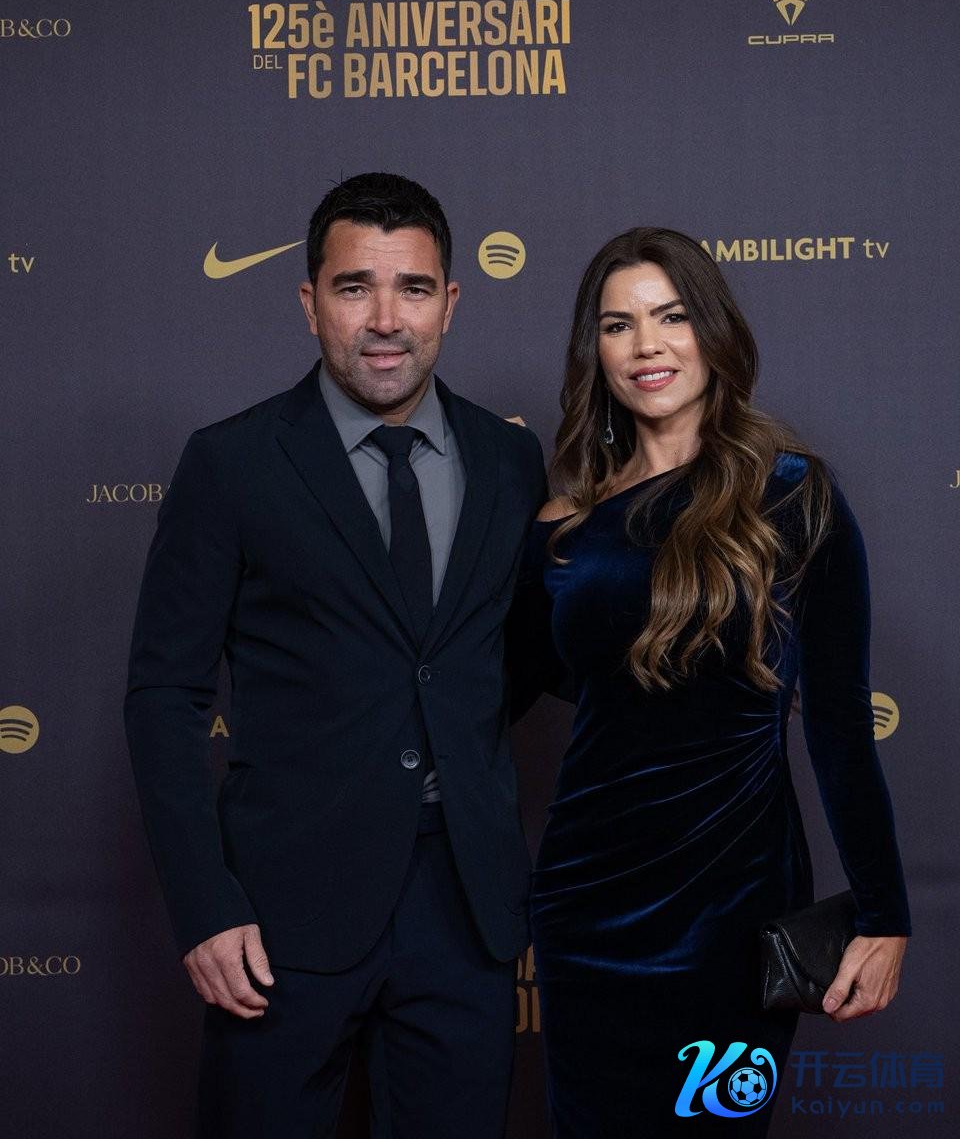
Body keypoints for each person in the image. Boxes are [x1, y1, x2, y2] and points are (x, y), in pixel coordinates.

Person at [124, 172, 547, 1138]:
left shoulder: (511, 459)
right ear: (309, 301)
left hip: (467, 907)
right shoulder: (231, 462)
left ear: (451, 302)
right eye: (356, 287)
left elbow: (504, 664)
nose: (386, 320)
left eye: (414, 288)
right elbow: (163, 695)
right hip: (281, 908)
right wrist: (204, 902)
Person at [507, 227, 911, 1136]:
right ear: (595, 351)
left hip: (732, 908)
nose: (646, 345)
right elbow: (510, 686)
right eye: (618, 325)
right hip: (585, 904)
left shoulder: (794, 493)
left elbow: (840, 724)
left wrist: (886, 917)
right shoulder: (564, 525)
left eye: (672, 316)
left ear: (714, 330)